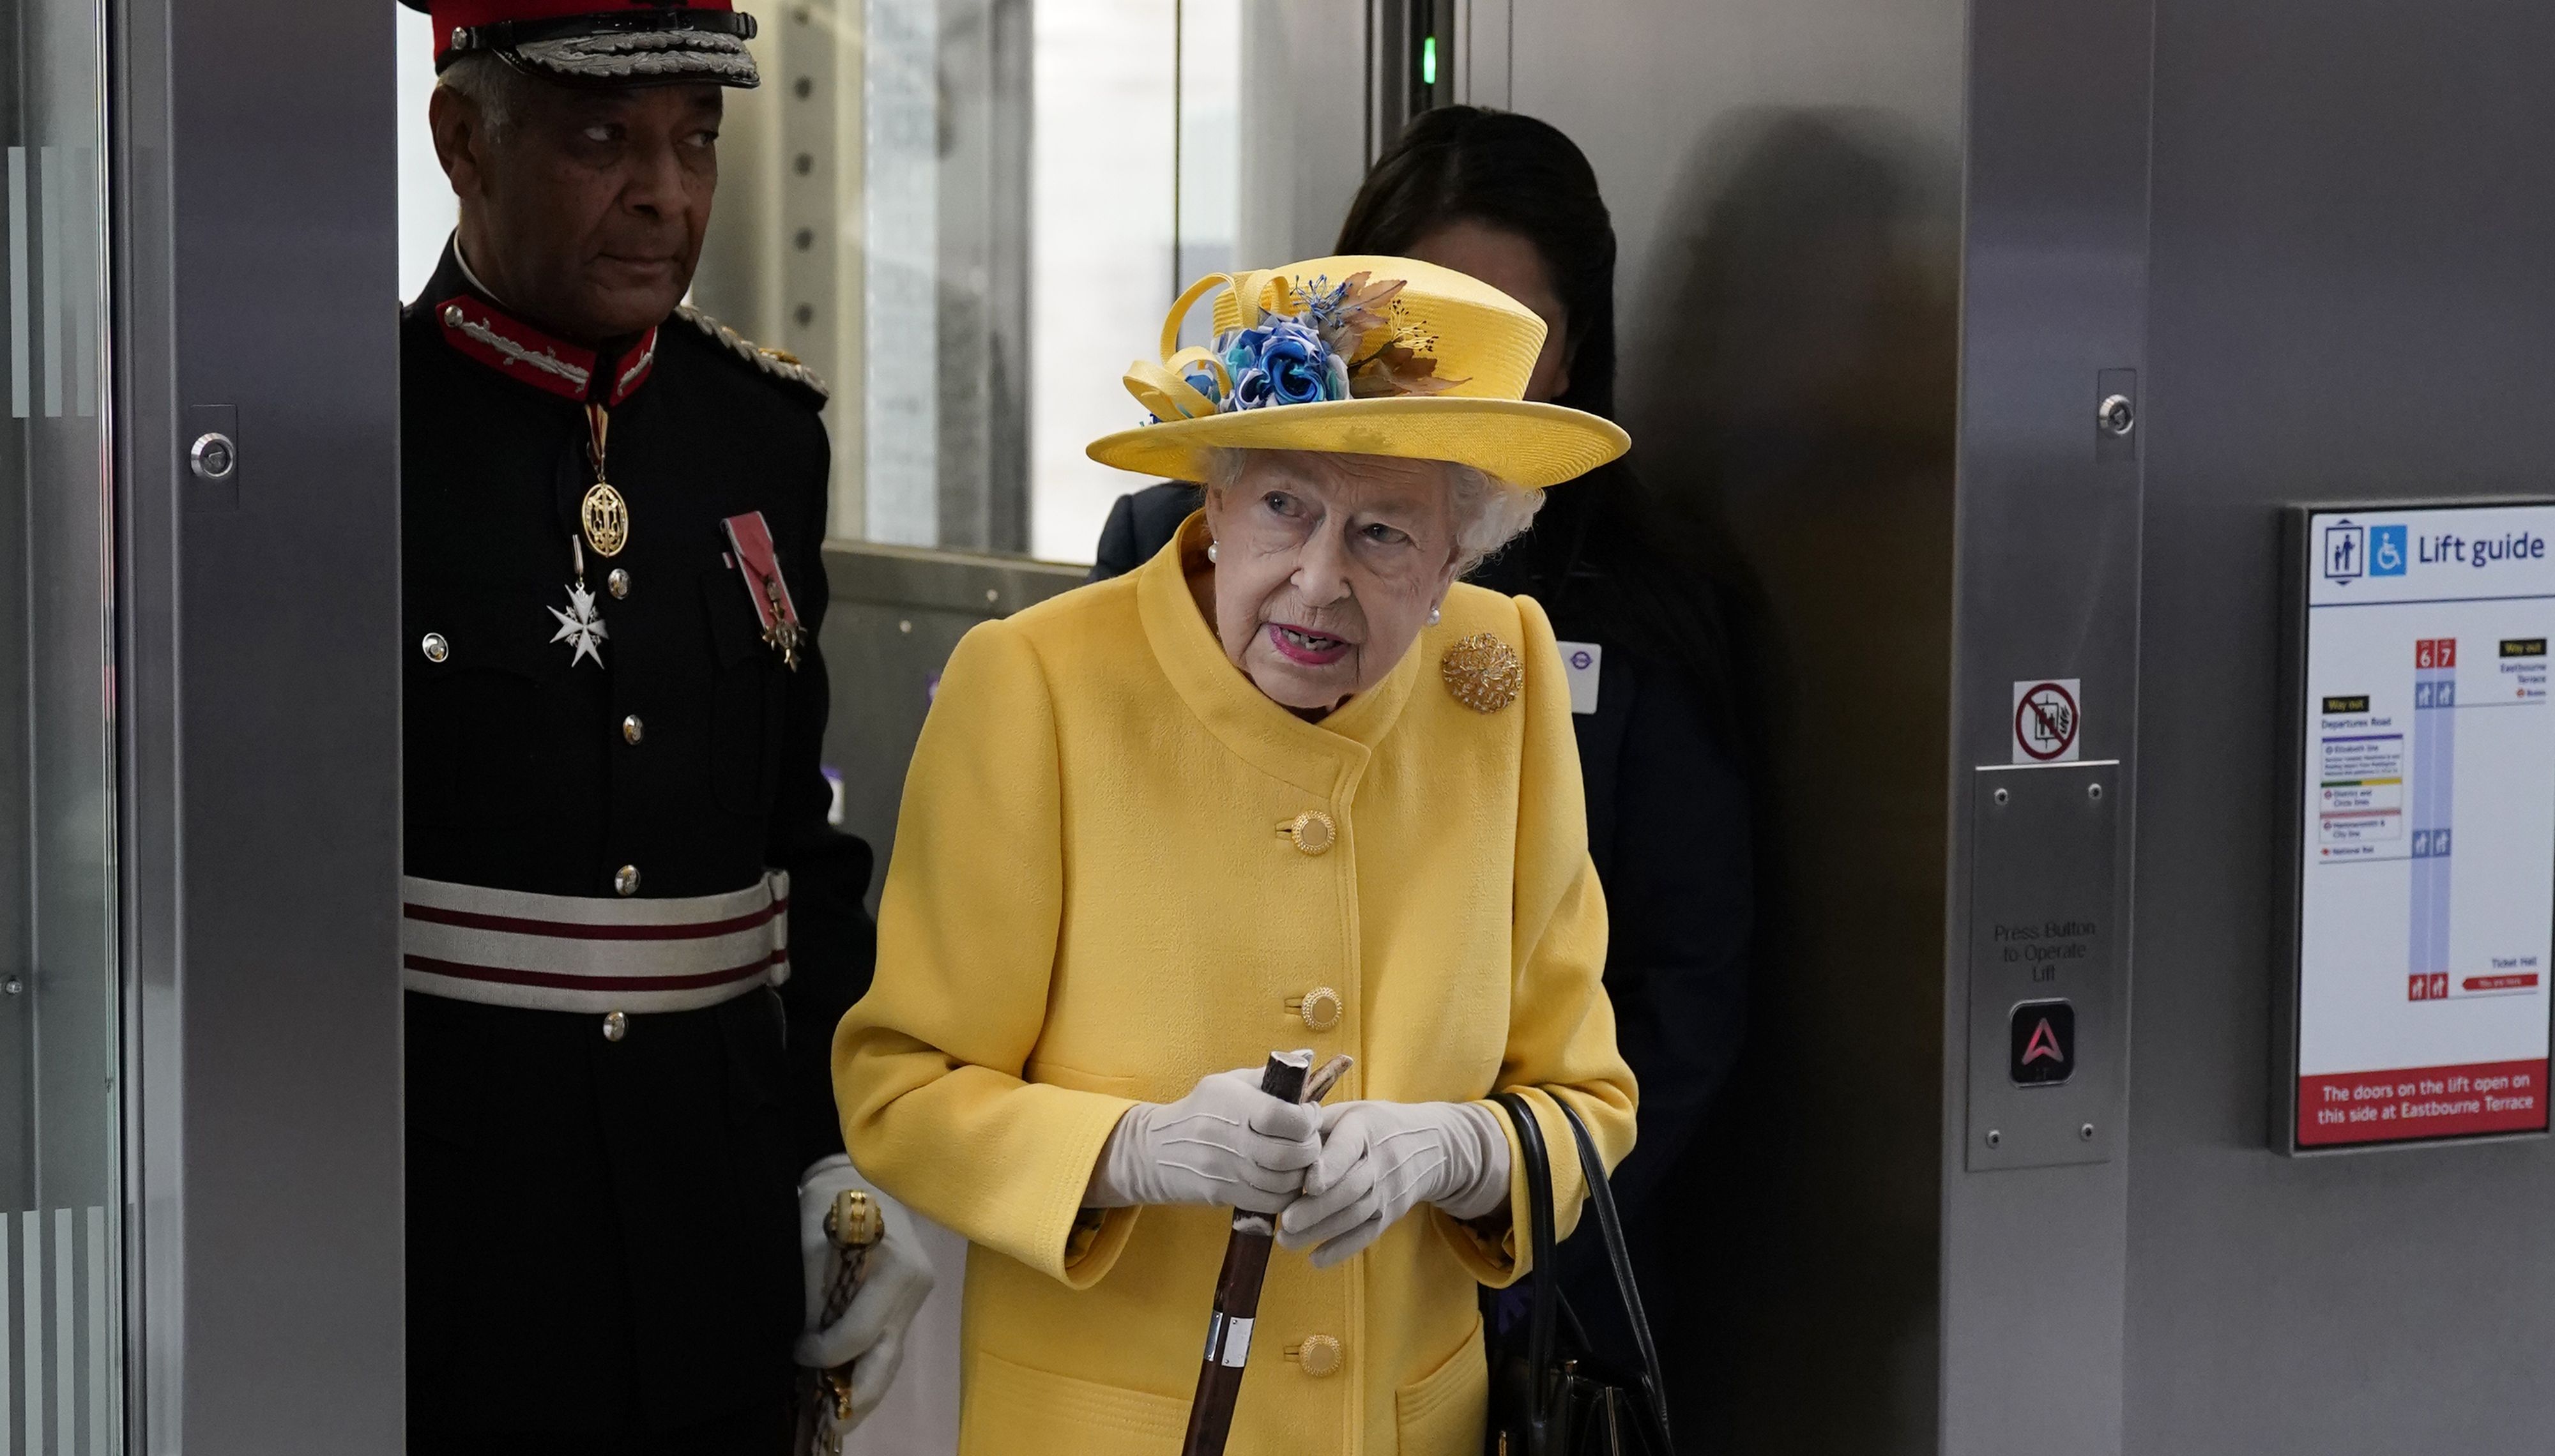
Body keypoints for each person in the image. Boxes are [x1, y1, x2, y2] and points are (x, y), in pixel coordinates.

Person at [834, 256, 1639, 1454]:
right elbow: (902, 1091)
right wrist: (1135, 1150)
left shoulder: (1502, 679)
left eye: (1381, 534)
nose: (1317, 581)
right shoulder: (1040, 687)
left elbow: (1587, 1101)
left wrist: (1460, 1151)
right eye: (1283, 508)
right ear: (1212, 501)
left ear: (1458, 558)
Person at [1091, 107, 1755, 1372]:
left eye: (1506, 331)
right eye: (1417, 320)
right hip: (1190, 1239)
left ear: (1566, 365)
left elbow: (1682, 989)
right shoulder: (1171, 549)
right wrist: (1150, 1148)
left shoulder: (1641, 609)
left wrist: (1487, 1201)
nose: (1445, 374)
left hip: (1507, 1289)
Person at [398, 4, 930, 1450]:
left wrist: (834, 1160)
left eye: (698, 140)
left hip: (710, 1222)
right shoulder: (354, 434)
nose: (666, 194)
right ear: (462, 141)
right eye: (599, 139)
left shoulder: (758, 433)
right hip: (442, 1233)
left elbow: (793, 856)